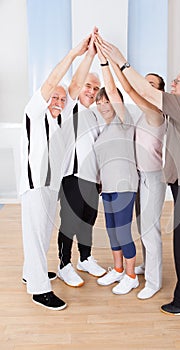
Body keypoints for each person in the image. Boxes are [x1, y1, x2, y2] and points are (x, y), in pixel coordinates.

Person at [99, 39, 180, 315]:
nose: (174, 85)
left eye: (176, 82)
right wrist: (111, 64)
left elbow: (137, 88)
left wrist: (120, 59)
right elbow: (130, 90)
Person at [20, 33, 97, 310]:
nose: (59, 101)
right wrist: (75, 53)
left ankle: (31, 273)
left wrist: (90, 55)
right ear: (43, 97)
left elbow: (74, 86)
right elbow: (55, 82)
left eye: (62, 100)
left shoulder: (60, 118)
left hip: (51, 187)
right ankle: (40, 290)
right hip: (36, 184)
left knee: (39, 233)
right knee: (37, 233)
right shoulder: (35, 113)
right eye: (54, 97)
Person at [109, 63, 167, 299]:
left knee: (149, 229)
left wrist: (115, 62)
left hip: (153, 178)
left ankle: (154, 282)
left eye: (151, 84)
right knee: (141, 227)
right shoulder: (139, 115)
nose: (145, 86)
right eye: (144, 82)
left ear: (159, 92)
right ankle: (147, 265)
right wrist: (107, 64)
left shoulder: (156, 113)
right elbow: (118, 94)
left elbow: (132, 90)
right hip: (138, 176)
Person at [57, 29, 106, 288]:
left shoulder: (98, 114)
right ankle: (64, 264)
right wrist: (89, 54)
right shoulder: (70, 106)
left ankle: (84, 258)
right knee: (70, 221)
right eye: (89, 85)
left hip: (92, 179)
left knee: (88, 220)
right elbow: (75, 85)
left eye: (96, 88)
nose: (91, 90)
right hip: (72, 176)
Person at [93, 37, 139, 295]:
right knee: (112, 230)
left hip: (124, 185)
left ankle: (131, 275)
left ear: (115, 102)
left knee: (122, 230)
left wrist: (104, 61)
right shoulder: (104, 129)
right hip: (108, 188)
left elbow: (111, 89)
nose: (102, 105)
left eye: (105, 100)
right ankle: (119, 269)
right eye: (98, 102)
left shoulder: (125, 119)